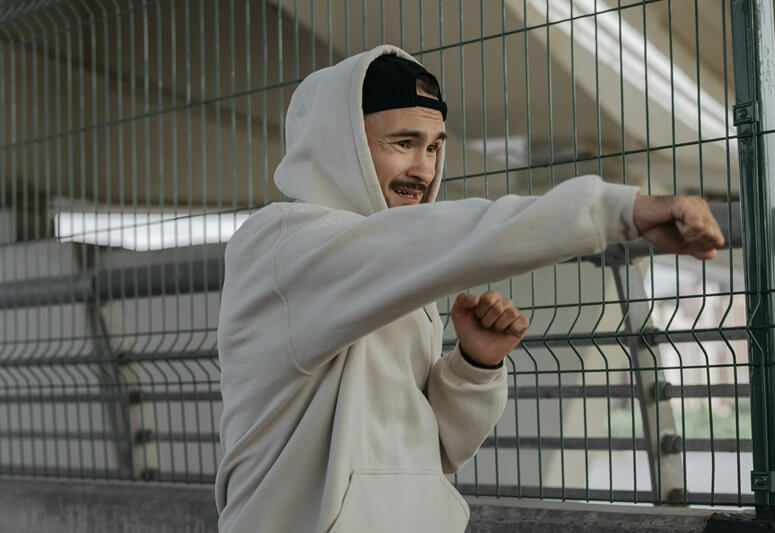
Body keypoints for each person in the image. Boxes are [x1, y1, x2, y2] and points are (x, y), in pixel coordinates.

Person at [214, 45, 724, 533]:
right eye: (402, 143)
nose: (424, 169)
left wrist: (473, 368)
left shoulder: (391, 266)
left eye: (434, 146)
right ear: (336, 145)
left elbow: (436, 451)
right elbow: (453, 234)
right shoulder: (282, 249)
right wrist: (617, 211)